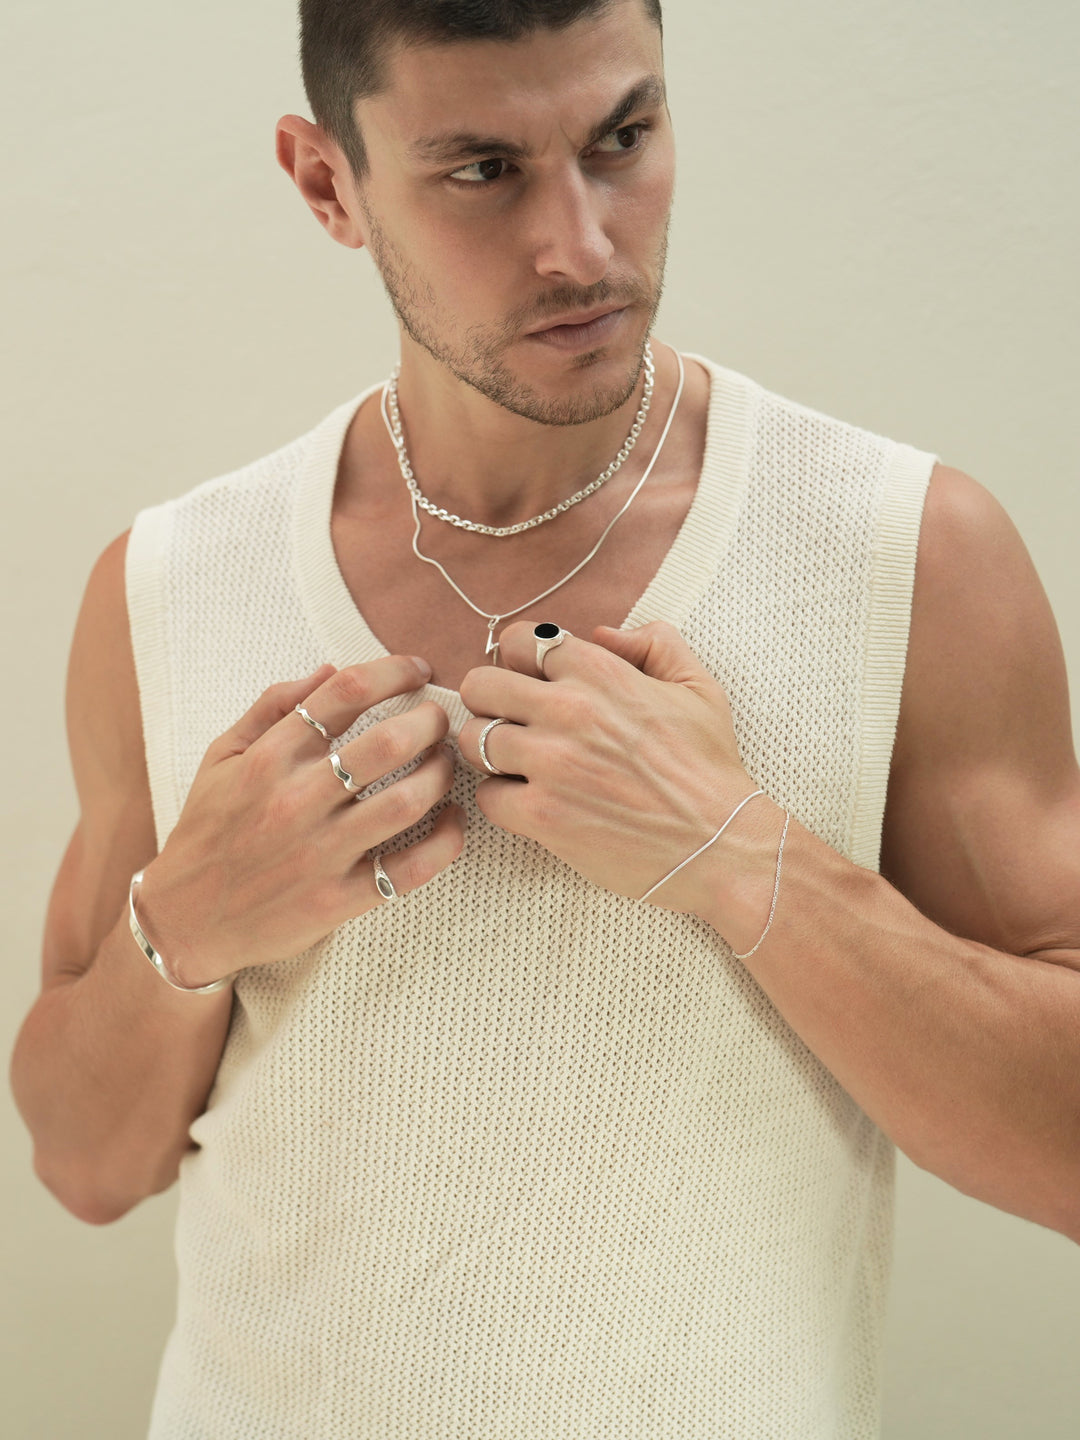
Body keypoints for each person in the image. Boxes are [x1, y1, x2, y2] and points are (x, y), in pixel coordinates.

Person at [11, 0, 1080, 1435]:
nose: (581, 242)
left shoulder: (903, 553)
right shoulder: (168, 582)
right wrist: (188, 924)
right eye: (483, 171)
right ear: (329, 183)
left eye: (621, 139)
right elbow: (85, 1166)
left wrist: (740, 857)